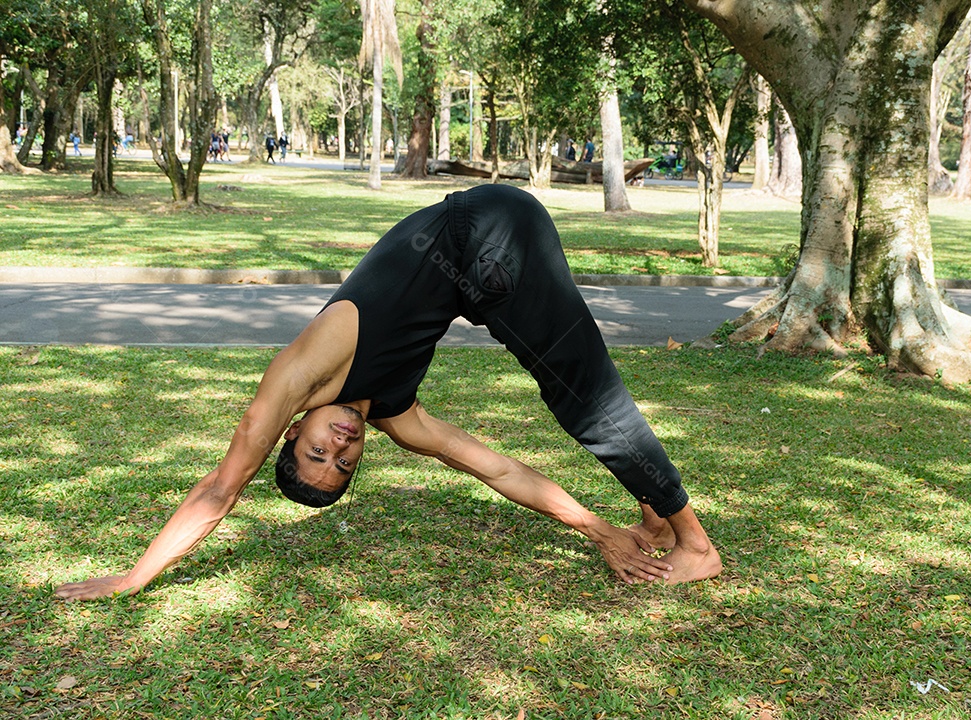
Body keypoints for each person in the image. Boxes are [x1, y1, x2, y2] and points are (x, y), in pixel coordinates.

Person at [54, 185, 722, 602]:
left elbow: (219, 491)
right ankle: (653, 513)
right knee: (578, 389)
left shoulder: (297, 375)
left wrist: (135, 575)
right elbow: (501, 469)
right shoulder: (398, 415)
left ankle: (694, 544)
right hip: (488, 249)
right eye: (343, 465)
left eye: (316, 452)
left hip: (481, 238)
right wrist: (599, 529)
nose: (338, 448)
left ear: (291, 429)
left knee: (583, 396)